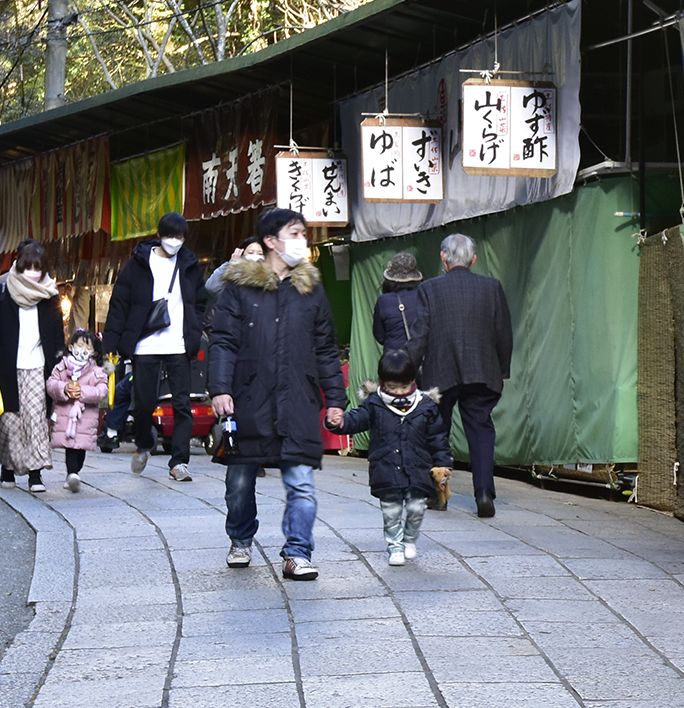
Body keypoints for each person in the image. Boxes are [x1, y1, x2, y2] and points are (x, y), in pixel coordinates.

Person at [207, 207, 346, 580]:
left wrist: (335, 399)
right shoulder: (239, 289)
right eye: (295, 233)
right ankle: (240, 538)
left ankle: (298, 551)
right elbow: (222, 342)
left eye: (303, 233)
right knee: (239, 482)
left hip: (298, 401)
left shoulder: (311, 291)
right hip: (249, 401)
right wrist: (220, 388)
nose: (303, 240)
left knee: (301, 482)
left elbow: (326, 349)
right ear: (271, 241)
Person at [415, 233, 512, 517]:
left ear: (443, 258)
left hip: (440, 372)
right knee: (481, 429)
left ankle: (439, 495)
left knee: (437, 431)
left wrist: (409, 369)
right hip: (482, 371)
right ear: (473, 259)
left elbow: (421, 336)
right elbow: (503, 334)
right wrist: (500, 369)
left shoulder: (429, 289)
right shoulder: (492, 287)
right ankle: (483, 494)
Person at [104, 212, 205, 481]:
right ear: (159, 235)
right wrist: (111, 344)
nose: (175, 241)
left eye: (180, 236)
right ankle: (143, 445)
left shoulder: (190, 263)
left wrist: (195, 328)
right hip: (145, 343)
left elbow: (200, 301)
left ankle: (179, 462)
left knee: (183, 403)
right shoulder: (138, 262)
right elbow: (119, 305)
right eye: (170, 235)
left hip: (179, 344)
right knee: (144, 403)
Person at [331, 349, 452, 567]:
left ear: (413, 381)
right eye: (392, 387)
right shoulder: (375, 404)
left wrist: (442, 463)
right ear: (382, 382)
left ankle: (409, 539)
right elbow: (357, 419)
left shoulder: (425, 405)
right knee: (391, 511)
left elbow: (437, 437)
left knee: (417, 508)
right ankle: (395, 546)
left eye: (404, 387)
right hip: (386, 466)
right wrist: (340, 422)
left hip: (418, 467)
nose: (399, 392)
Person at [0, 240, 65, 493]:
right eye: (29, 267)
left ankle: (35, 473)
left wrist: (60, 363)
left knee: (37, 419)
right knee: (10, 420)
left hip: (38, 365)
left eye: (39, 268)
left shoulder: (50, 294)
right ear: (19, 266)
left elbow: (57, 334)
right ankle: (8, 466)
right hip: (7, 366)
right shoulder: (2, 291)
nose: (34, 273)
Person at [48, 329, 109, 493]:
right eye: (79, 345)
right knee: (70, 447)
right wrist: (64, 389)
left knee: (80, 448)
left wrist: (82, 392)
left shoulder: (97, 371)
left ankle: (75, 472)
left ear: (94, 353)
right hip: (65, 414)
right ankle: (72, 474)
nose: (82, 351)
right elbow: (51, 384)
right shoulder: (62, 366)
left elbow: (102, 390)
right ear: (71, 346)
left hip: (84, 416)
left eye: (87, 348)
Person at [373, 253, 427, 361]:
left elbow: (380, 336)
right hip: (422, 359)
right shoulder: (425, 296)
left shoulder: (384, 301)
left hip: (394, 362)